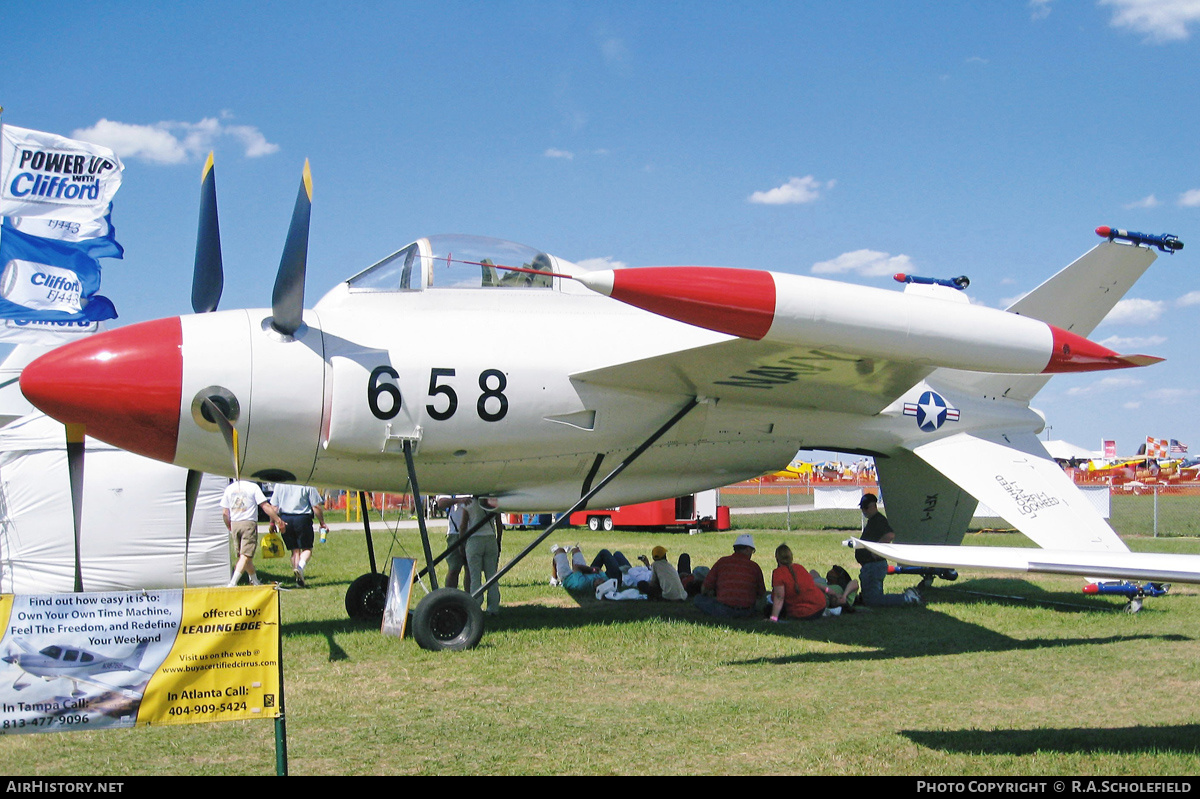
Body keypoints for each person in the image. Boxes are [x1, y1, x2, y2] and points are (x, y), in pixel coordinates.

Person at [856, 493, 921, 607]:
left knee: (873, 600)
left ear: (874, 506)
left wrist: (876, 550)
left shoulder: (878, 520)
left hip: (874, 565)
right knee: (872, 598)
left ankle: (907, 598)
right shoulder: (873, 520)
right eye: (862, 508)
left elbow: (890, 535)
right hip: (871, 566)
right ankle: (907, 597)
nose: (864, 510)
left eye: (866, 507)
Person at [222, 479, 287, 588]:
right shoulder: (253, 487)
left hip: (234, 523)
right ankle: (232, 583)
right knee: (246, 555)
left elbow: (225, 512)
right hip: (248, 522)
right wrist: (278, 520)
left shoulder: (229, 488)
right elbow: (265, 506)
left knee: (243, 556)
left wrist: (228, 524)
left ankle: (255, 581)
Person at [694, 534, 766, 618]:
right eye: (752, 551)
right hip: (747, 612)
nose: (751, 554)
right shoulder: (755, 567)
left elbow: (705, 587)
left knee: (698, 599)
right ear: (747, 550)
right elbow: (761, 593)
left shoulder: (722, 562)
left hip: (723, 610)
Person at [270, 483, 328, 588]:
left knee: (294, 550)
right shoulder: (306, 482)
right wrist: (322, 522)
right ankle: (300, 567)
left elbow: (274, 506)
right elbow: (316, 505)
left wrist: (273, 522)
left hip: (285, 518)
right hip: (302, 518)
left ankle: (298, 578)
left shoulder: (280, 484)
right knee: (307, 548)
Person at [462, 497, 501, 615]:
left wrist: (461, 543)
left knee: (475, 577)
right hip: (490, 538)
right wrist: (498, 540)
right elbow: (499, 523)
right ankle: (493, 607)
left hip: (474, 540)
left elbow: (463, 526)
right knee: (492, 576)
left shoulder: (469, 504)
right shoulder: (493, 502)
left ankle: (475, 605)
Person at [769, 544, 827, 621]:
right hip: (820, 606)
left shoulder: (778, 573)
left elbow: (779, 597)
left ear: (777, 557)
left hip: (804, 613)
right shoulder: (799, 567)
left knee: (768, 608)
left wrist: (774, 617)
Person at [550, 545, 632, 593]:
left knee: (559, 551)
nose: (601, 579)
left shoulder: (582, 584)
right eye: (603, 580)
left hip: (568, 576)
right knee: (576, 550)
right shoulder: (604, 579)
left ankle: (553, 579)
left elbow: (576, 567)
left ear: (596, 586)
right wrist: (596, 570)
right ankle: (572, 550)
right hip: (584, 573)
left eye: (600, 582)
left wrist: (591, 570)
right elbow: (600, 571)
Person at [435, 495, 471, 589]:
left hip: (473, 532)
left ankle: (469, 598)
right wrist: (460, 500)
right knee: (454, 568)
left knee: (470, 569)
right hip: (455, 533)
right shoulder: (452, 484)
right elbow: (441, 503)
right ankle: (450, 597)